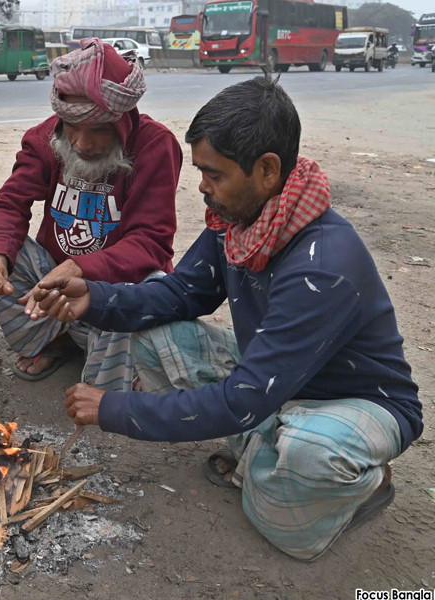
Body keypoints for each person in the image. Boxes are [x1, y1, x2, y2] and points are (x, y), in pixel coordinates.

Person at [31, 77, 423, 561]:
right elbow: (179, 293)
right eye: (201, 172)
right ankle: (266, 448)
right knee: (151, 336)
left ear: (266, 170)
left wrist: (115, 409)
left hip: (350, 399)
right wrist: (94, 297)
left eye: (214, 175)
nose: (202, 187)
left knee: (291, 504)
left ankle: (362, 481)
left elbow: (242, 399)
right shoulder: (239, 222)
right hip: (278, 378)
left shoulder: (322, 265)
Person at [0, 38, 181, 390]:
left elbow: (151, 243)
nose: (82, 145)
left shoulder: (155, 145)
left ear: (121, 120)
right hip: (51, 288)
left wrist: (79, 267)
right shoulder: (45, 137)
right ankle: (56, 341)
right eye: (72, 128)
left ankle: (106, 380)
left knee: (153, 286)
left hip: (112, 289)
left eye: (98, 131)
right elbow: (9, 205)